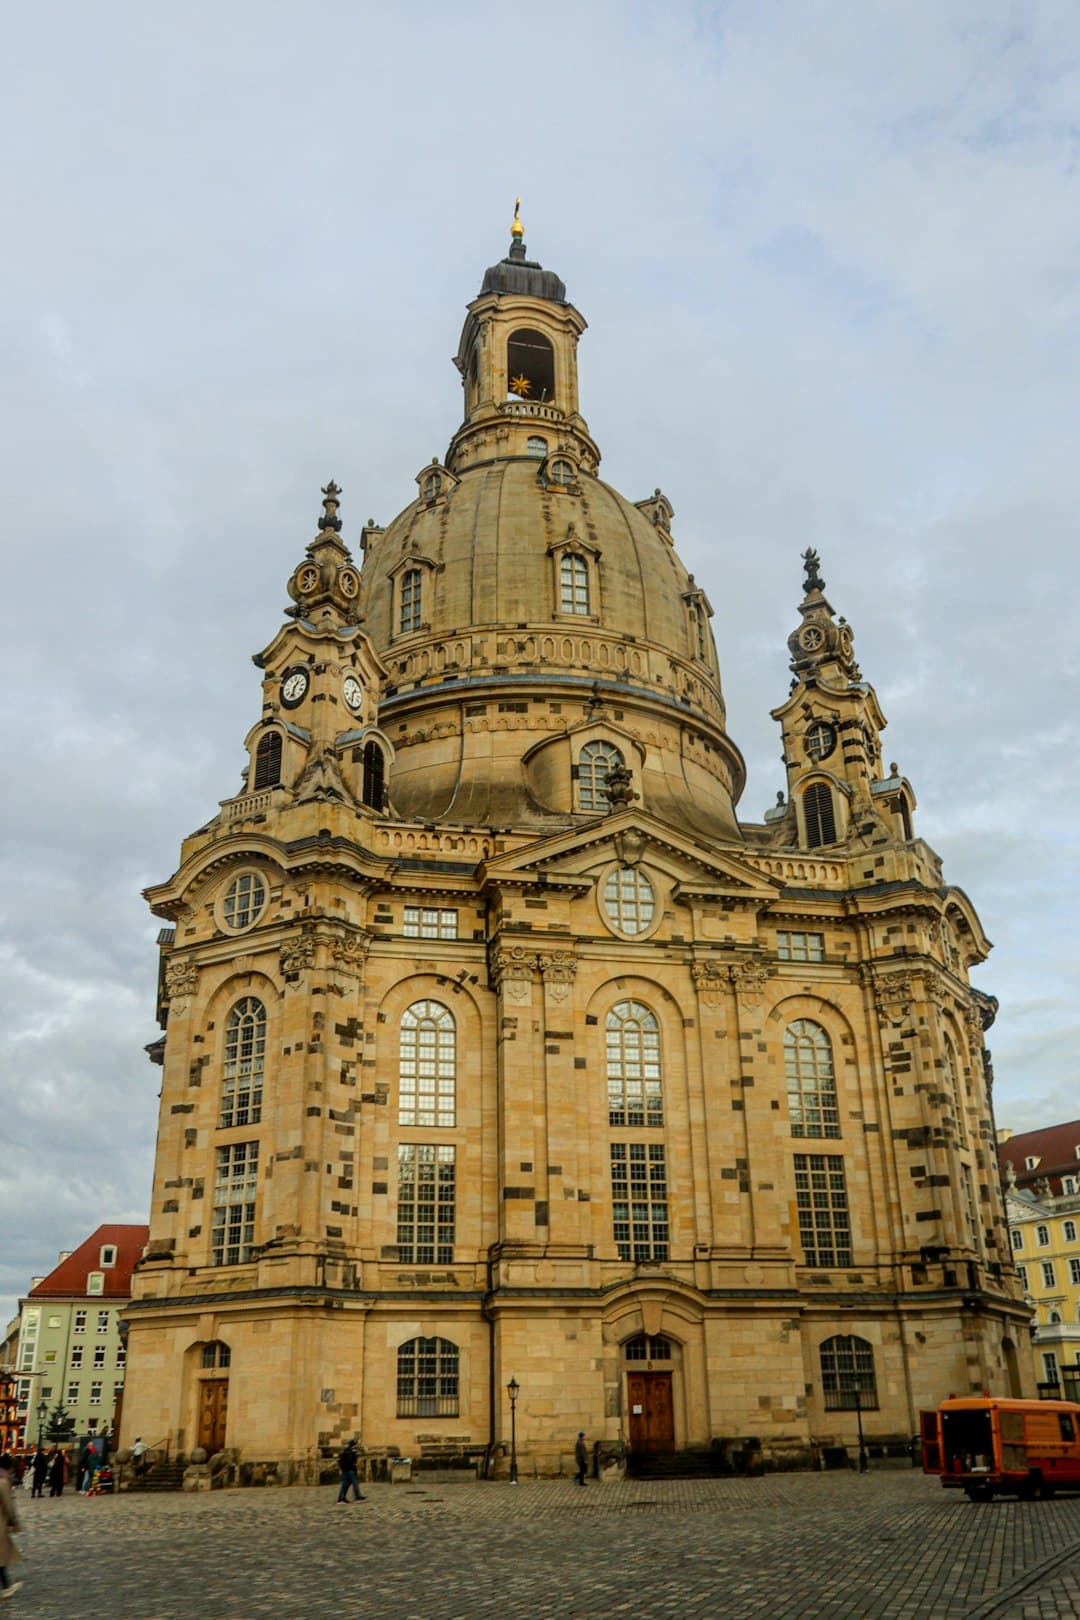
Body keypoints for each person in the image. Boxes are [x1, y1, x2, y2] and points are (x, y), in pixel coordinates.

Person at [0, 1454, 22, 1601]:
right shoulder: (3, 1482)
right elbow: (8, 1505)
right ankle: (7, 1587)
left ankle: (7, 1586)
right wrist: (14, 1522)